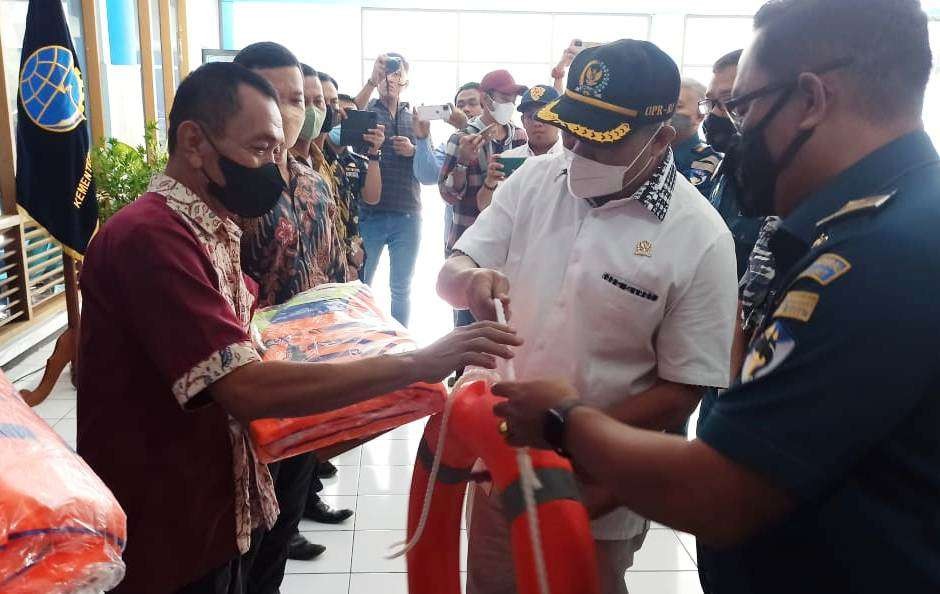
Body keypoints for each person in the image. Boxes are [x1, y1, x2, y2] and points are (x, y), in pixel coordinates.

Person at [491, 2, 940, 594]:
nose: (733, 129)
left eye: (744, 107)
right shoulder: (886, 221)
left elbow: (720, 490)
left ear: (810, 101)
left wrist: (561, 419)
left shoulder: (886, 254)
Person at [75, 61, 522, 594]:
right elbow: (243, 387)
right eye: (261, 149)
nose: (275, 164)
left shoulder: (209, 225)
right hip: (169, 522)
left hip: (220, 503)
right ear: (195, 142)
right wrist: (419, 365)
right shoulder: (153, 237)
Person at [437, 40, 737, 594]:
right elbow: (453, 269)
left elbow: (683, 390)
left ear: (662, 138)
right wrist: (471, 282)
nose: (575, 150)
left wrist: (567, 433)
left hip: (596, 491)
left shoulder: (701, 239)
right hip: (500, 464)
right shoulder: (537, 180)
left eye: (599, 143)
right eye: (572, 130)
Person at [230, 44, 351, 590]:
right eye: (273, 97)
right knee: (243, 545)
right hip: (249, 398)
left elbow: (332, 273)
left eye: (297, 98)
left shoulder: (315, 183)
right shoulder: (229, 193)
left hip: (308, 389)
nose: (289, 110)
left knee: (280, 531)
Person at [354, 53, 422, 326]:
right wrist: (372, 81)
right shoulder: (367, 111)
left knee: (402, 288)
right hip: (370, 212)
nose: (390, 80)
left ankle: (401, 349)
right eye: (386, 73)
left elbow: (430, 158)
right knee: (361, 284)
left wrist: (414, 149)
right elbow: (342, 118)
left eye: (397, 74)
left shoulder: (415, 115)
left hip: (408, 213)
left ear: (406, 80)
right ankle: (360, 343)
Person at [699, 49, 765, 279]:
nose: (715, 114)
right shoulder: (728, 169)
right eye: (710, 102)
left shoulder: (777, 183)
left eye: (727, 101)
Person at [324, 92, 383, 280]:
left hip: (353, 248)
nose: (343, 120)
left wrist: (374, 153)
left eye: (351, 117)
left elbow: (372, 198)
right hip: (324, 247)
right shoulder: (314, 157)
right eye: (338, 115)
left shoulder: (357, 162)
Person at [477, 85, 563, 211]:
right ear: (523, 121)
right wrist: (490, 182)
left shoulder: (572, 160)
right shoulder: (508, 159)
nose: (537, 122)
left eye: (545, 115)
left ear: (559, 119)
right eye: (531, 116)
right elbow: (484, 207)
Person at [413, 82, 485, 185]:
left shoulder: (502, 135)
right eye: (460, 106)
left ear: (486, 107)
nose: (465, 109)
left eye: (472, 103)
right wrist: (422, 138)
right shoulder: (449, 146)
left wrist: (465, 127)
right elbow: (428, 176)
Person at [670, 78, 720, 197]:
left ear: (699, 116)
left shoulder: (709, 160)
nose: (668, 112)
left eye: (678, 106)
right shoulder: (647, 152)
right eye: (666, 105)